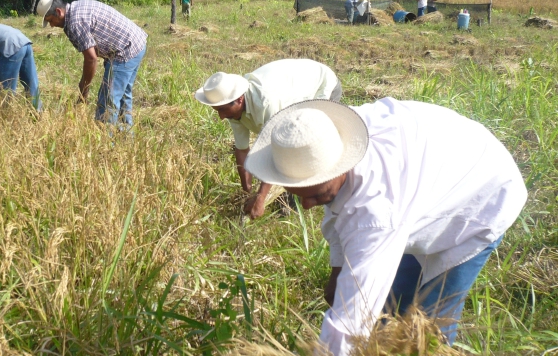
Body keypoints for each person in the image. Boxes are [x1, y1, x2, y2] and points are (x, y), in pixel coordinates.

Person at [243, 98, 527, 355]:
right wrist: (339, 271)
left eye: (317, 196)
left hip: (481, 194)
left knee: (425, 333)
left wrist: (342, 322)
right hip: (433, 169)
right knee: (387, 312)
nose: (306, 206)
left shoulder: (376, 212)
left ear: (341, 166)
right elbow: (342, 208)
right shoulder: (326, 136)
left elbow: (346, 330)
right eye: (300, 194)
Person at [194, 59, 342, 219]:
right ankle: (290, 192)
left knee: (306, 143)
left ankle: (300, 199)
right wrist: (247, 192)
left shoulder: (266, 103)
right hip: (293, 89)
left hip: (321, 86)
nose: (221, 117)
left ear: (239, 100)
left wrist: (261, 197)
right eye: (217, 111)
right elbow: (242, 149)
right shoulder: (231, 107)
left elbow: (276, 151)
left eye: (223, 110)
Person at [36, 0, 147, 127]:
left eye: (51, 21)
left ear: (58, 12)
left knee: (107, 101)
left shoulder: (75, 22)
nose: (52, 26)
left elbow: (91, 59)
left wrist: (84, 89)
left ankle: (106, 142)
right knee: (123, 95)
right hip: (137, 42)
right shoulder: (76, 7)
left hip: (125, 49)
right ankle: (126, 136)